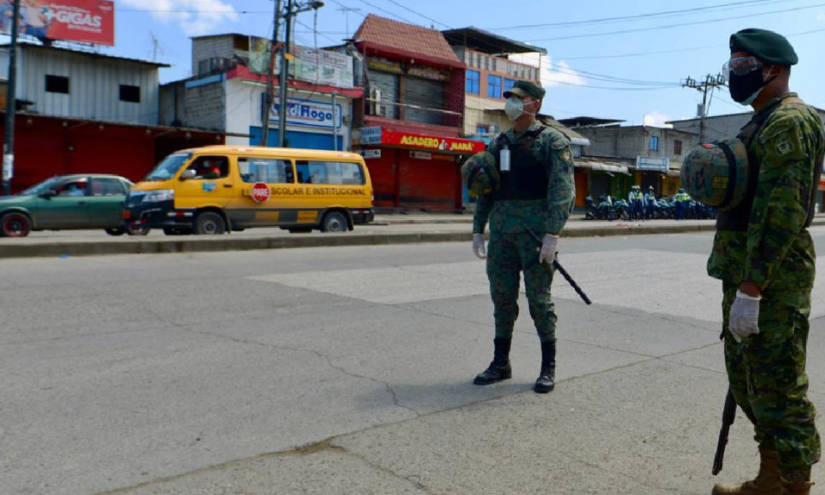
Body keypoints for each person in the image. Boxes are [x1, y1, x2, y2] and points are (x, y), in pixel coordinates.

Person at [709, 28, 823, 495]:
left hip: (770, 282)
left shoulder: (790, 122)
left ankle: (796, 487)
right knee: (751, 385)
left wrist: (752, 288)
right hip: (744, 276)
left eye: (742, 64)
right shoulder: (759, 121)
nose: (734, 72)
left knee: (780, 391)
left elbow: (782, 212)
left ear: (771, 68)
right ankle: (770, 479)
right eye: (733, 64)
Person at [471, 80, 575, 394]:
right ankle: (501, 363)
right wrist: (478, 228)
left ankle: (548, 368)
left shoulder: (551, 142)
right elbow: (485, 188)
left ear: (535, 105)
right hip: (502, 234)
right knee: (502, 299)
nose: (512, 104)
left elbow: (563, 191)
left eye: (519, 98)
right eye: (510, 98)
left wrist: (553, 234)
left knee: (539, 301)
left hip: (534, 235)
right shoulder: (499, 143)